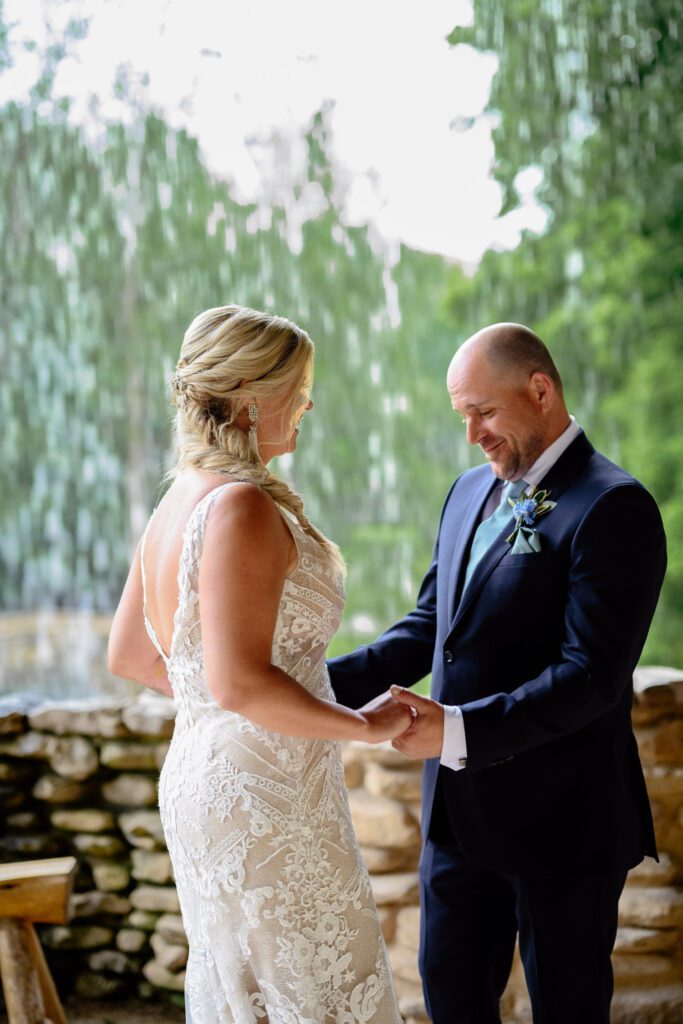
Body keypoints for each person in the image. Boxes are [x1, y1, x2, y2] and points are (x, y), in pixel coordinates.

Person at [327, 323, 667, 1024]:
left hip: (565, 822)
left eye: (481, 411)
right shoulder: (465, 494)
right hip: (458, 819)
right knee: (450, 996)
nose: (471, 434)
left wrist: (456, 729)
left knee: (566, 1008)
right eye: (462, 416)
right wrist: (310, 685)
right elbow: (430, 630)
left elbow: (591, 676)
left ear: (539, 390)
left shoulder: (613, 506)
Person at [108, 305, 409, 1024]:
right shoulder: (239, 504)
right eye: (298, 388)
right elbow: (239, 681)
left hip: (206, 775)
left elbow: (132, 655)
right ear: (250, 395)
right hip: (263, 791)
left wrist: (218, 711)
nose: (307, 403)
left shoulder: (174, 503)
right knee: (318, 984)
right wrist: (360, 726)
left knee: (257, 989)